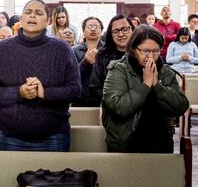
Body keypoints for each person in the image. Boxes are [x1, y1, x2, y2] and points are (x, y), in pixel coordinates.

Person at [0, 0, 81, 152]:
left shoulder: (62, 49)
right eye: (28, 12)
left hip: (54, 136)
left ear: (47, 21)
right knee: (5, 176)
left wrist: (45, 93)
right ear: (21, 19)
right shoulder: (3, 49)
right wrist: (18, 93)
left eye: (38, 13)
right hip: (9, 135)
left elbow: (75, 90)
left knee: (55, 176)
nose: (32, 16)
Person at [102, 25, 189, 153]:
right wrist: (145, 85)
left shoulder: (166, 72)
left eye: (156, 51)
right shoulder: (119, 70)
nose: (150, 56)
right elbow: (118, 107)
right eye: (145, 51)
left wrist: (157, 86)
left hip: (161, 141)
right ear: (134, 49)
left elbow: (180, 106)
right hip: (126, 142)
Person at [90, 14, 134, 103]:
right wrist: (116, 99)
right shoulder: (102, 55)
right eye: (116, 31)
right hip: (111, 105)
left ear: (132, 30)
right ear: (111, 34)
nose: (121, 34)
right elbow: (94, 87)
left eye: (125, 29)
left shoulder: (141, 53)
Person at [72, 17, 104, 107]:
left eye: (96, 27)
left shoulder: (107, 50)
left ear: (101, 31)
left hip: (103, 99)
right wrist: (86, 62)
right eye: (89, 26)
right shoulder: (74, 50)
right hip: (80, 99)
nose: (93, 29)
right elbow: (71, 76)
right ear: (83, 31)